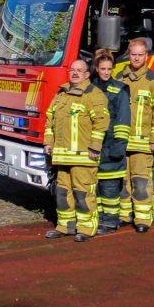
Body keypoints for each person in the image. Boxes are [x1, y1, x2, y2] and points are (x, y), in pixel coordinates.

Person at [44, 59, 109, 242]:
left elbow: (101, 123)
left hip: (84, 156)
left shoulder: (94, 95)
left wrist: (95, 147)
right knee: (63, 192)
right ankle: (65, 225)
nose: (74, 73)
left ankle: (86, 228)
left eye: (79, 70)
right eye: (72, 70)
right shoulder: (61, 94)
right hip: (62, 156)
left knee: (83, 192)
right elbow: (50, 120)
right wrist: (48, 143)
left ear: (87, 74)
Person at [115, 38, 154, 233]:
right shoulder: (119, 78)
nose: (136, 58)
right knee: (123, 181)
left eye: (140, 55)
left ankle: (143, 218)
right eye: (133, 54)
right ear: (129, 54)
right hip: (122, 142)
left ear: (146, 56)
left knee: (141, 181)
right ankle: (124, 215)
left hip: (143, 143)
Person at [91, 49, 131, 235]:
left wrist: (119, 146)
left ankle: (110, 222)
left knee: (110, 187)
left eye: (109, 69)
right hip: (94, 145)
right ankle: (99, 219)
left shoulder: (120, 90)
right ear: (96, 69)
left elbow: (123, 120)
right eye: (103, 69)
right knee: (96, 186)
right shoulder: (90, 88)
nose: (106, 72)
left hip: (111, 145)